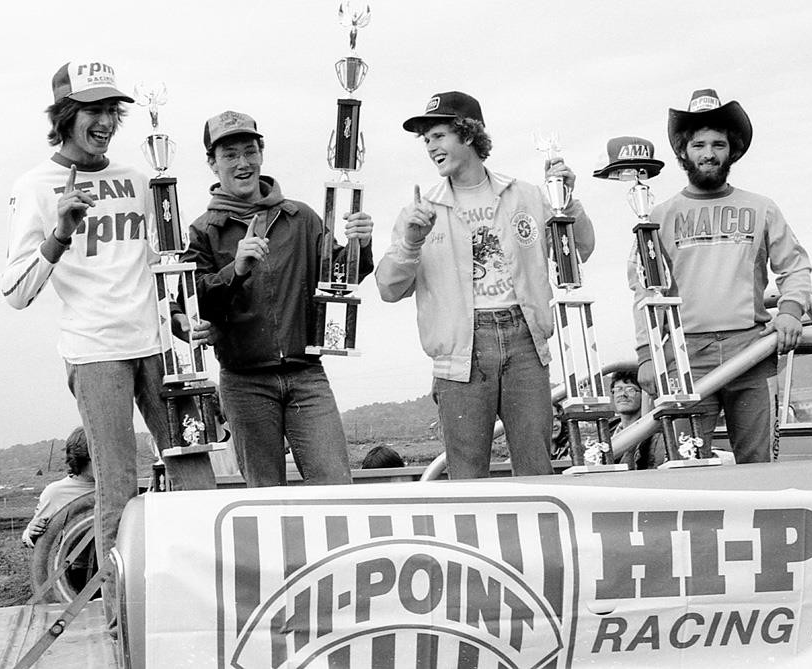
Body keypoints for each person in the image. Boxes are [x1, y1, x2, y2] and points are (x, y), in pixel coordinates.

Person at [1, 60, 203, 617]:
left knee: (195, 472)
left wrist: (182, 319)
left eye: (113, 110)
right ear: (65, 116)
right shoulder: (35, 186)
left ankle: (205, 602)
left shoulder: (139, 179)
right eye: (94, 110)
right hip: (95, 354)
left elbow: (160, 263)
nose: (107, 122)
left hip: (158, 349)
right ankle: (122, 616)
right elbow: (15, 292)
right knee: (117, 487)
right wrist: (60, 233)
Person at [376, 91, 595, 479]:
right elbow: (388, 289)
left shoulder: (526, 195)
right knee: (466, 473)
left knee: (536, 465)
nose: (431, 147)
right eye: (426, 140)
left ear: (468, 134)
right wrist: (411, 241)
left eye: (439, 136)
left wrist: (568, 200)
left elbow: (579, 250)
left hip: (526, 339)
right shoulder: (420, 210)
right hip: (459, 352)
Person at [181, 110, 374, 487]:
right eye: (230, 154)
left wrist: (360, 244)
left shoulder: (301, 217)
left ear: (261, 155)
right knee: (263, 496)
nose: (243, 163)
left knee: (336, 487)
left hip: (307, 375)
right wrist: (235, 269)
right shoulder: (202, 231)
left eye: (250, 151)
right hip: (243, 383)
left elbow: (340, 277)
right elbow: (195, 303)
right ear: (212, 164)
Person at [630, 88, 812, 463]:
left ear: (732, 151)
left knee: (759, 463)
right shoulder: (658, 216)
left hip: (752, 350)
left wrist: (791, 310)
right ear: (683, 152)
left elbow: (794, 265)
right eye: (698, 145)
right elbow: (644, 291)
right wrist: (647, 355)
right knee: (687, 463)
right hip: (686, 354)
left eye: (718, 144)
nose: (709, 153)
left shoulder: (761, 208)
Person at [22, 427, 96, 548]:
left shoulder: (119, 489)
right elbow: (30, 536)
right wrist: (31, 532)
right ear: (80, 459)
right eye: (96, 459)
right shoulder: (55, 492)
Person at [609, 370, 664, 469]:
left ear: (644, 395)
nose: (623, 394)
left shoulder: (656, 435)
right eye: (618, 389)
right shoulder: (608, 430)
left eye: (630, 389)